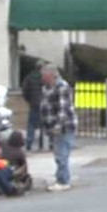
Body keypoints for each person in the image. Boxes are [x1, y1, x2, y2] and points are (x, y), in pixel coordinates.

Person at [39, 64, 78, 192]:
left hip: (64, 126)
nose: (42, 78)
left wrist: (58, 126)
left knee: (62, 154)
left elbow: (63, 108)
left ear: (51, 75)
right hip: (52, 126)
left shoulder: (62, 86)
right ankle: (61, 178)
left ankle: (63, 181)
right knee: (58, 154)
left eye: (44, 75)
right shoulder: (46, 88)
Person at [21, 61, 46, 151]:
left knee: (31, 124)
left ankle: (29, 143)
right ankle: (43, 143)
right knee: (44, 123)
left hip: (33, 103)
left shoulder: (29, 77)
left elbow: (24, 91)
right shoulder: (44, 78)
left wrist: (29, 100)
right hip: (44, 103)